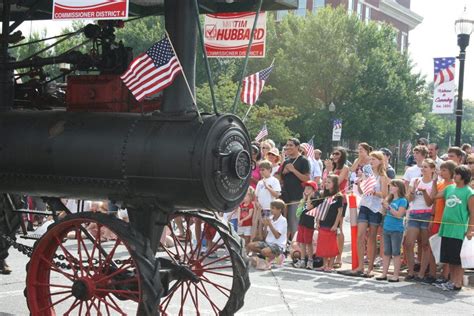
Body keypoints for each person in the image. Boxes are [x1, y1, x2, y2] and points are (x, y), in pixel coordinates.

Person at [432, 165, 474, 291]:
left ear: (463, 176)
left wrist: (470, 230)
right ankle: (451, 281)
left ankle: (457, 283)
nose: (454, 176)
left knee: (458, 259)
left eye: (457, 174)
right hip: (447, 228)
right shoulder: (449, 188)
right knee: (450, 258)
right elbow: (435, 196)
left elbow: (473, 213)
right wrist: (434, 182)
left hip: (459, 230)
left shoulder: (469, 192)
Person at [352, 151, 389, 277]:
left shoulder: (383, 176)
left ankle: (370, 267)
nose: (371, 161)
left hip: (376, 207)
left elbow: (384, 194)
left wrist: (374, 192)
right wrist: (359, 185)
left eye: (374, 159)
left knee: (372, 236)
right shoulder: (367, 174)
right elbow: (362, 191)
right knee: (360, 235)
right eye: (371, 159)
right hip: (365, 205)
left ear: (380, 161)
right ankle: (360, 266)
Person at [404, 158, 435, 281]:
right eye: (422, 166)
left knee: (425, 245)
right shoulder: (415, 180)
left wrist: (423, 191)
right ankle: (411, 271)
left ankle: (422, 273)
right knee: (408, 243)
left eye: (426, 167)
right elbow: (409, 199)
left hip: (427, 215)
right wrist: (413, 190)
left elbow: (429, 203)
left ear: (432, 169)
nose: (423, 169)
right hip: (414, 214)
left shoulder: (434, 183)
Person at [278, 138, 310, 240]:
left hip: (297, 197)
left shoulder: (303, 160)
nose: (288, 147)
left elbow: (306, 179)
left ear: (297, 147)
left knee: (294, 223)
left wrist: (293, 170)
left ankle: (296, 247)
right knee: (285, 224)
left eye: (291, 145)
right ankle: (285, 246)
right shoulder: (286, 161)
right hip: (285, 197)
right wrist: (283, 173)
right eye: (287, 145)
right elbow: (280, 179)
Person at [376, 179, 408, 282]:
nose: (391, 188)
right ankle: (384, 274)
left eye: (393, 186)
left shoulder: (403, 200)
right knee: (386, 252)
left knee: (396, 252)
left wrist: (388, 207)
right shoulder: (389, 199)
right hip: (387, 227)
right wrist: (383, 206)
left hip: (396, 229)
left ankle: (395, 275)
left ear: (399, 188)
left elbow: (399, 215)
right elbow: (383, 212)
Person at [323, 146, 349, 268]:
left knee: (338, 228)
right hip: (327, 199)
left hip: (339, 199)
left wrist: (329, 171)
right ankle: (327, 255)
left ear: (342, 155)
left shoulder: (345, 168)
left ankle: (338, 256)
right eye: (333, 154)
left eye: (337, 154)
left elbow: (336, 182)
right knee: (326, 228)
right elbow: (325, 183)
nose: (335, 156)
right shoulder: (330, 168)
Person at [313, 175, 343, 272]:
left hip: (331, 224)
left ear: (334, 184)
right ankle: (324, 264)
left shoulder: (338, 196)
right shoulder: (324, 195)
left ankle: (330, 265)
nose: (326, 184)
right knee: (323, 245)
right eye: (326, 182)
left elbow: (339, 212)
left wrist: (335, 224)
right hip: (323, 222)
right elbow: (320, 209)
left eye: (329, 182)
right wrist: (317, 221)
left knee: (331, 245)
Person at [247, 200, 288, 270]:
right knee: (250, 245)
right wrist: (265, 226)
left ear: (279, 210)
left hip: (278, 245)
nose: (271, 210)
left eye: (273, 208)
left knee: (264, 251)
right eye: (271, 208)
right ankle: (269, 257)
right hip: (268, 243)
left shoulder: (283, 220)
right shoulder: (270, 218)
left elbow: (277, 236)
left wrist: (270, 224)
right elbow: (264, 236)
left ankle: (279, 256)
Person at [254, 160, 281, 240]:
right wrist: (256, 203)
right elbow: (256, 195)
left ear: (269, 169)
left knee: (268, 228)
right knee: (260, 228)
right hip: (260, 209)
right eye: (260, 170)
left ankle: (268, 244)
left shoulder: (274, 181)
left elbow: (277, 195)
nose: (261, 172)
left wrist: (268, 187)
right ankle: (261, 244)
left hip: (270, 209)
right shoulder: (259, 182)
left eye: (263, 170)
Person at [294, 180, 318, 269]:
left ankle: (310, 261)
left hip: (309, 224)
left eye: (308, 189)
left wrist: (308, 198)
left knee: (308, 243)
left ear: (313, 191)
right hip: (301, 223)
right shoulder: (302, 200)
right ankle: (303, 260)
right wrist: (303, 200)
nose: (306, 190)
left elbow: (308, 207)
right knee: (302, 243)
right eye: (305, 188)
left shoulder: (314, 200)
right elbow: (298, 213)